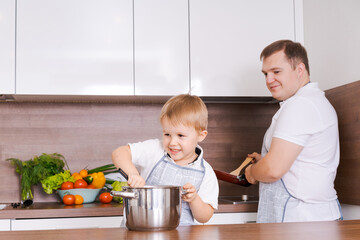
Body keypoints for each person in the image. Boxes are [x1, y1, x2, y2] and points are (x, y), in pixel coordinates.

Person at [245, 40, 342, 223]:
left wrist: (252, 172)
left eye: (276, 71)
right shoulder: (307, 101)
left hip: (304, 221)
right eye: (265, 73)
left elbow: (273, 170)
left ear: (299, 69)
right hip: (309, 219)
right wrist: (264, 161)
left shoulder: (301, 105)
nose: (268, 80)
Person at [112, 94, 219, 225]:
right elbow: (119, 153)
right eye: (167, 134)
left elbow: (205, 217)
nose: (172, 142)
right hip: (139, 231)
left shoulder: (206, 172)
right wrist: (133, 174)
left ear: (201, 135)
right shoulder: (155, 150)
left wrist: (194, 199)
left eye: (181, 135)